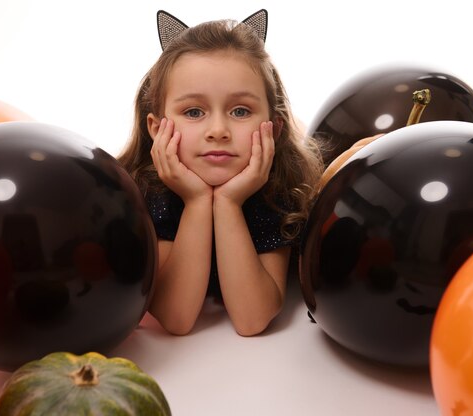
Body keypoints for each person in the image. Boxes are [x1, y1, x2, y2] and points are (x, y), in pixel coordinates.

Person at [118, 10, 323, 336]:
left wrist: (228, 202)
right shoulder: (150, 190)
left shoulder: (279, 190)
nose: (218, 130)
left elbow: (252, 320)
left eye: (240, 111)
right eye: (194, 112)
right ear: (158, 129)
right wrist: (197, 200)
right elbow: (176, 318)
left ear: (274, 127)